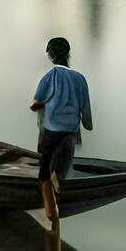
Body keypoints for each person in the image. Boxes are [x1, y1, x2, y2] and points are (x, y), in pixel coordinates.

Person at [29, 36, 93, 222]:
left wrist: (36, 105)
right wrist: (87, 125)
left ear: (50, 56)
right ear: (69, 54)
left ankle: (50, 212)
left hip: (52, 132)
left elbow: (36, 102)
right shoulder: (80, 79)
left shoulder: (49, 77)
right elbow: (86, 115)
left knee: (44, 173)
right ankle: (58, 192)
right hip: (71, 133)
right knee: (61, 170)